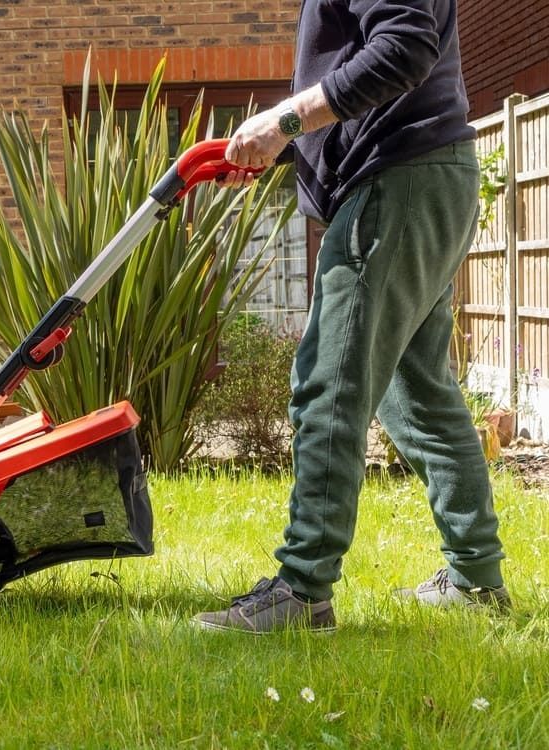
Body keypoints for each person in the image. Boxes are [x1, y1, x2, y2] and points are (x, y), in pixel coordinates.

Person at [194, 0, 510, 633]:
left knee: (329, 382)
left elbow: (403, 48)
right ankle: (477, 580)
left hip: (398, 181)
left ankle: (304, 588)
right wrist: (278, 147)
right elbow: (365, 83)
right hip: (423, 175)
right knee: (418, 393)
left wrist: (284, 120)